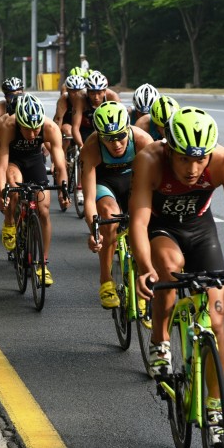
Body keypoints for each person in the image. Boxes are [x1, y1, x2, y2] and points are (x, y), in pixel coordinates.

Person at [130, 107, 224, 443]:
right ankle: (160, 339)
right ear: (169, 148)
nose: (193, 168)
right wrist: (144, 270)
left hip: (201, 232)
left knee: (218, 319)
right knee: (168, 273)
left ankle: (215, 404)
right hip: (161, 229)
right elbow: (138, 222)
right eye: (185, 159)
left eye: (201, 160)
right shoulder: (150, 160)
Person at [81, 101, 153, 308]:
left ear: (128, 130)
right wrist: (95, 232)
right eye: (109, 139)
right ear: (99, 135)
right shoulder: (92, 147)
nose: (117, 144)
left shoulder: (142, 140)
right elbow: (88, 198)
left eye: (121, 136)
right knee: (109, 216)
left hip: (134, 182)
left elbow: (154, 185)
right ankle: (106, 280)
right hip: (106, 185)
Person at [0, 94, 70, 285]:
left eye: (36, 128)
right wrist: (2, 194)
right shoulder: (8, 126)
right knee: (13, 187)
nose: (34, 134)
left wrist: (63, 191)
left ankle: (43, 264)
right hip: (14, 161)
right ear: (19, 123)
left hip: (35, 161)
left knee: (44, 210)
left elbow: (60, 165)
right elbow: (1, 166)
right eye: (28, 129)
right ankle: (10, 221)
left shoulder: (50, 128)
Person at [70, 70, 121, 148]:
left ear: (105, 91)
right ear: (87, 92)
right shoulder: (80, 98)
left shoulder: (113, 97)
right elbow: (75, 127)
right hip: (86, 129)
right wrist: (81, 146)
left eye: (99, 93)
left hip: (106, 128)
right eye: (92, 93)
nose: (96, 97)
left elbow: (121, 123)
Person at [0, 77, 25, 167]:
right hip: (8, 141)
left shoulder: (30, 104)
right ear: (5, 97)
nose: (16, 98)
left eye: (19, 94)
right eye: (12, 95)